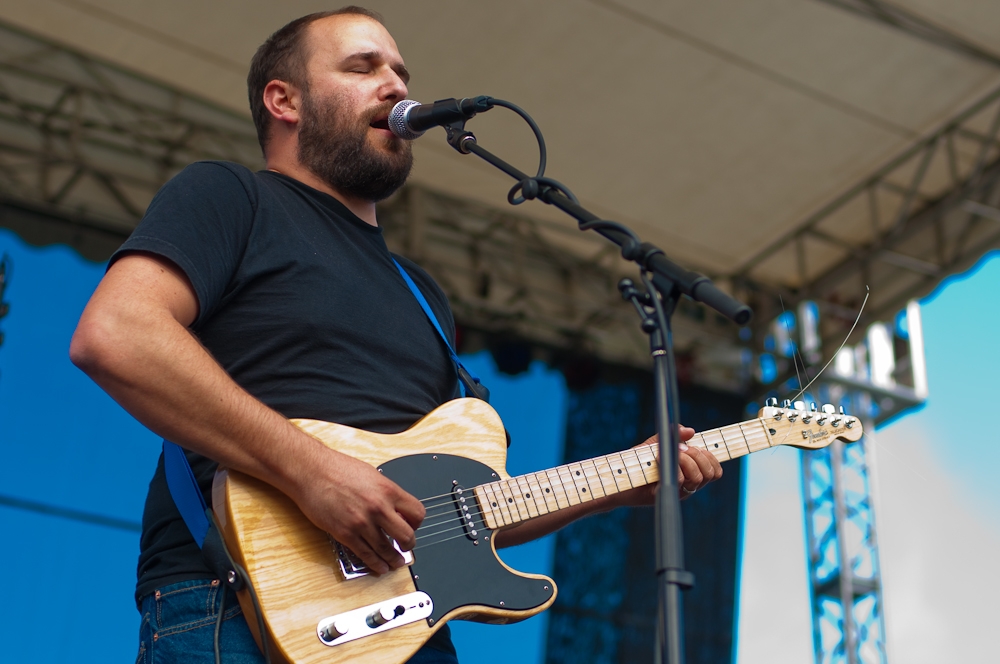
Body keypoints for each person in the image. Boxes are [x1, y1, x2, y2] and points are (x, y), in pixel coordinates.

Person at [69, 7, 722, 664]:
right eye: (363, 67)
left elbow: (459, 514)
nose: (395, 85)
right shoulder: (231, 196)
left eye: (400, 72)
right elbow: (118, 333)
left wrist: (622, 480)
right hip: (239, 609)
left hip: (406, 628)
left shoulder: (423, 294)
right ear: (283, 100)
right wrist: (314, 473)